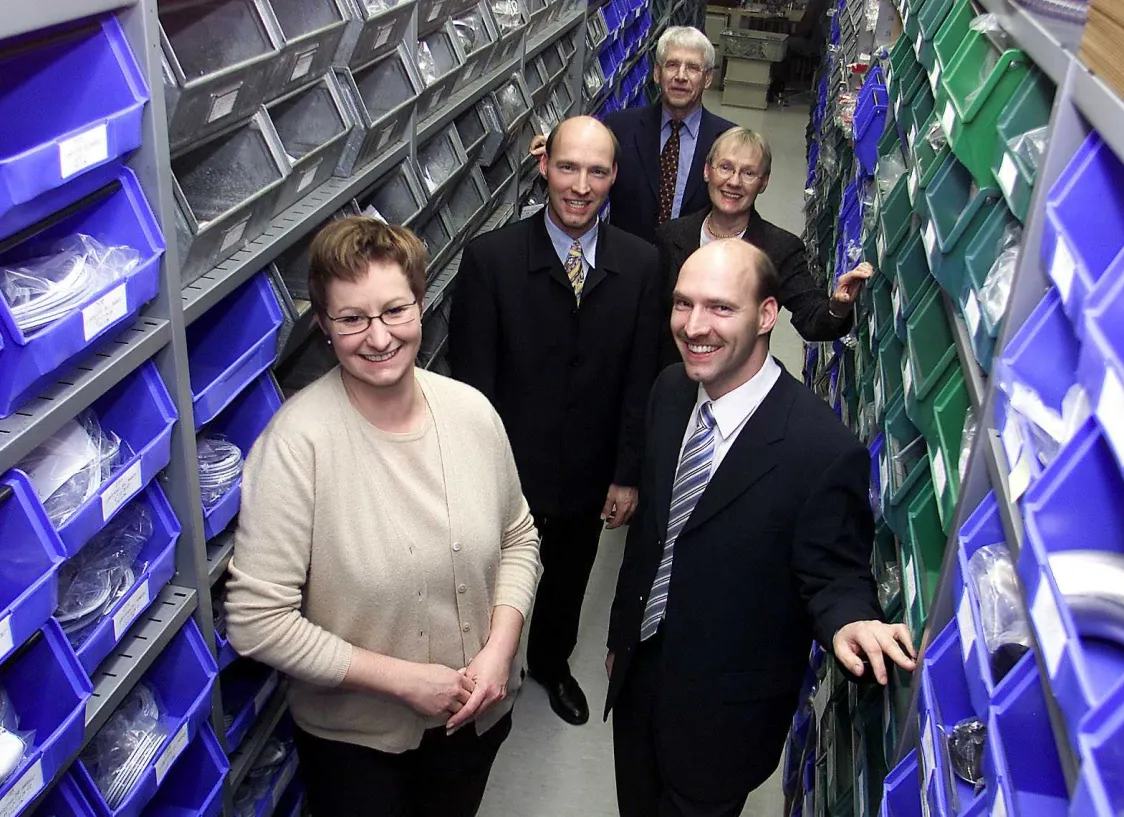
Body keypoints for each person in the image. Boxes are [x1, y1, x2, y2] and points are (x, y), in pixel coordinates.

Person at [225, 217, 541, 817]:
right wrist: (403, 681)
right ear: (323, 325)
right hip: (358, 749)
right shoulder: (298, 445)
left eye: (395, 311)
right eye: (352, 319)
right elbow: (254, 620)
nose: (378, 337)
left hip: (475, 721)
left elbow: (519, 538)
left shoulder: (471, 412)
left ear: (422, 305)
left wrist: (501, 647)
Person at [605, 239, 915, 817]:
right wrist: (624, 633)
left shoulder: (820, 448)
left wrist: (852, 621)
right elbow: (655, 535)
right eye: (683, 304)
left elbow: (834, 573)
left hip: (724, 717)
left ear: (768, 315)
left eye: (720, 308)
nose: (694, 326)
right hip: (641, 677)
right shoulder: (671, 392)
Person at [449, 116, 661, 726]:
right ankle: (488, 667)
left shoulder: (640, 264)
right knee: (490, 578)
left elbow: (639, 378)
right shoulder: (491, 259)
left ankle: (549, 662)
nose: (580, 185)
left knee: (569, 576)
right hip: (507, 469)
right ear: (544, 166)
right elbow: (472, 385)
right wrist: (474, 475)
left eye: (597, 171)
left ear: (614, 178)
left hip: (589, 469)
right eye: (568, 167)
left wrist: (626, 474)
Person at [657, 126, 872, 366]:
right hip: (675, 375)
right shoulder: (671, 235)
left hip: (738, 380)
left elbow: (810, 316)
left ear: (764, 182)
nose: (734, 181)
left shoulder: (779, 248)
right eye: (725, 167)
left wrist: (837, 307)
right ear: (707, 171)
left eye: (749, 173)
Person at [531, 27, 735, 244]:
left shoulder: (727, 140)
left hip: (695, 267)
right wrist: (555, 149)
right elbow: (583, 167)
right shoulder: (620, 127)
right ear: (657, 73)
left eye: (693, 68)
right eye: (672, 65)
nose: (681, 76)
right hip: (626, 264)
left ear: (708, 78)